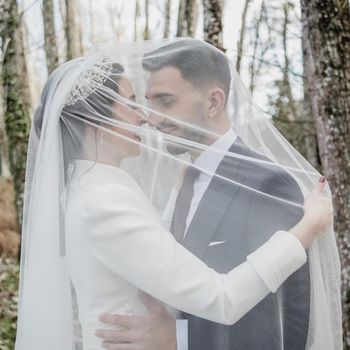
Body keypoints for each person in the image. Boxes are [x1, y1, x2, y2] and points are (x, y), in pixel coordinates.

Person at [14, 41, 337, 350]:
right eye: (134, 104)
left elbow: (288, 325)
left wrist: (181, 341)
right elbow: (219, 296)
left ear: (213, 102)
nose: (147, 117)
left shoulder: (266, 183)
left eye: (164, 102)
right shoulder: (102, 199)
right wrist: (304, 230)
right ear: (95, 122)